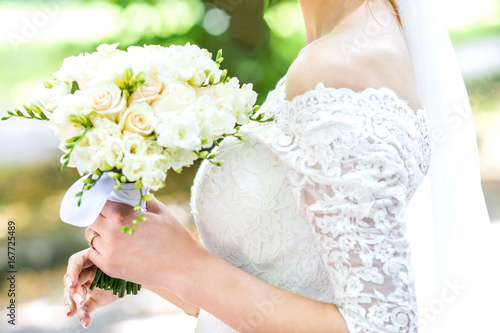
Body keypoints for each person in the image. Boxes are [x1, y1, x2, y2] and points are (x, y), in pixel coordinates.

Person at [63, 0, 498, 331]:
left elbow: (378, 324)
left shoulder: (339, 65)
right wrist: (149, 266)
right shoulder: (345, 42)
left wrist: (183, 265)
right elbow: (293, 277)